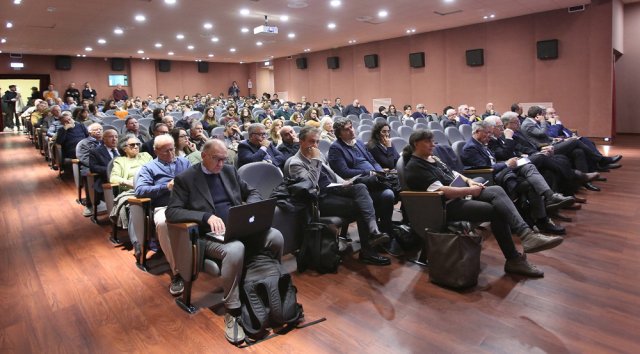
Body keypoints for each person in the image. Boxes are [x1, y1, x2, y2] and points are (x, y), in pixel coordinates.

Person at [165, 139, 284, 344]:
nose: (221, 163)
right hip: (209, 236)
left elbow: (252, 192)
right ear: (204, 156)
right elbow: (172, 211)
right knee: (235, 249)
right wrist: (204, 217)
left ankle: (272, 289)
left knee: (275, 236)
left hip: (239, 228)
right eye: (217, 159)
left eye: (224, 159)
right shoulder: (187, 178)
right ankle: (233, 310)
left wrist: (251, 209)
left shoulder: (229, 171)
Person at [403, 129, 565, 277]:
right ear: (416, 144)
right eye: (428, 142)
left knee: (497, 190)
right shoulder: (414, 167)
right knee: (495, 211)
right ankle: (515, 257)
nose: (433, 144)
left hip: (460, 196)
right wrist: (470, 191)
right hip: (444, 207)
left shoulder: (433, 158)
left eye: (433, 140)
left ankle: (526, 235)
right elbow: (442, 191)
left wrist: (470, 182)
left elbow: (454, 174)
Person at [288, 127, 391, 265]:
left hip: (334, 190)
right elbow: (311, 184)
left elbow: (330, 173)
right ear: (301, 141)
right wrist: (315, 160)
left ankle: (373, 229)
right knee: (360, 207)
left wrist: (343, 182)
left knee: (360, 187)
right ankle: (368, 251)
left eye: (317, 142)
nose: (315, 146)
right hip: (320, 199)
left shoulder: (318, 155)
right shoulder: (295, 163)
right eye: (311, 141)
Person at [461, 121, 574, 234]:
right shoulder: (470, 148)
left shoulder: (482, 144)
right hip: (491, 178)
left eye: (491, 133)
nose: (490, 136)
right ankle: (541, 219)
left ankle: (549, 197)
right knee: (530, 183)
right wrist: (506, 164)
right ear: (477, 132)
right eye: (487, 133)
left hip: (501, 171)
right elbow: (485, 168)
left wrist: (510, 162)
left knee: (529, 166)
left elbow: (494, 161)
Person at [134, 134, 191, 293]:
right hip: (164, 206)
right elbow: (140, 190)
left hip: (188, 204)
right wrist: (165, 187)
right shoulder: (149, 168)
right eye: (165, 151)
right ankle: (177, 272)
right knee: (162, 224)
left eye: (172, 149)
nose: (171, 154)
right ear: (156, 151)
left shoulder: (185, 162)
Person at [328, 117, 395, 237]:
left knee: (390, 192)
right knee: (388, 193)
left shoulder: (358, 142)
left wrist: (379, 171)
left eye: (351, 127)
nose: (351, 130)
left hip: (374, 179)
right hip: (358, 183)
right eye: (346, 129)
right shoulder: (336, 148)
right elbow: (344, 172)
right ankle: (381, 233)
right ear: (339, 134)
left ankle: (386, 229)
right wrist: (369, 172)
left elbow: (373, 161)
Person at [76, 123, 104, 216]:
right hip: (89, 167)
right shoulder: (83, 143)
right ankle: (89, 204)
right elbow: (85, 159)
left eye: (100, 129)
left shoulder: (105, 142)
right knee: (89, 175)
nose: (99, 131)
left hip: (104, 167)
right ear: (89, 132)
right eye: (96, 130)